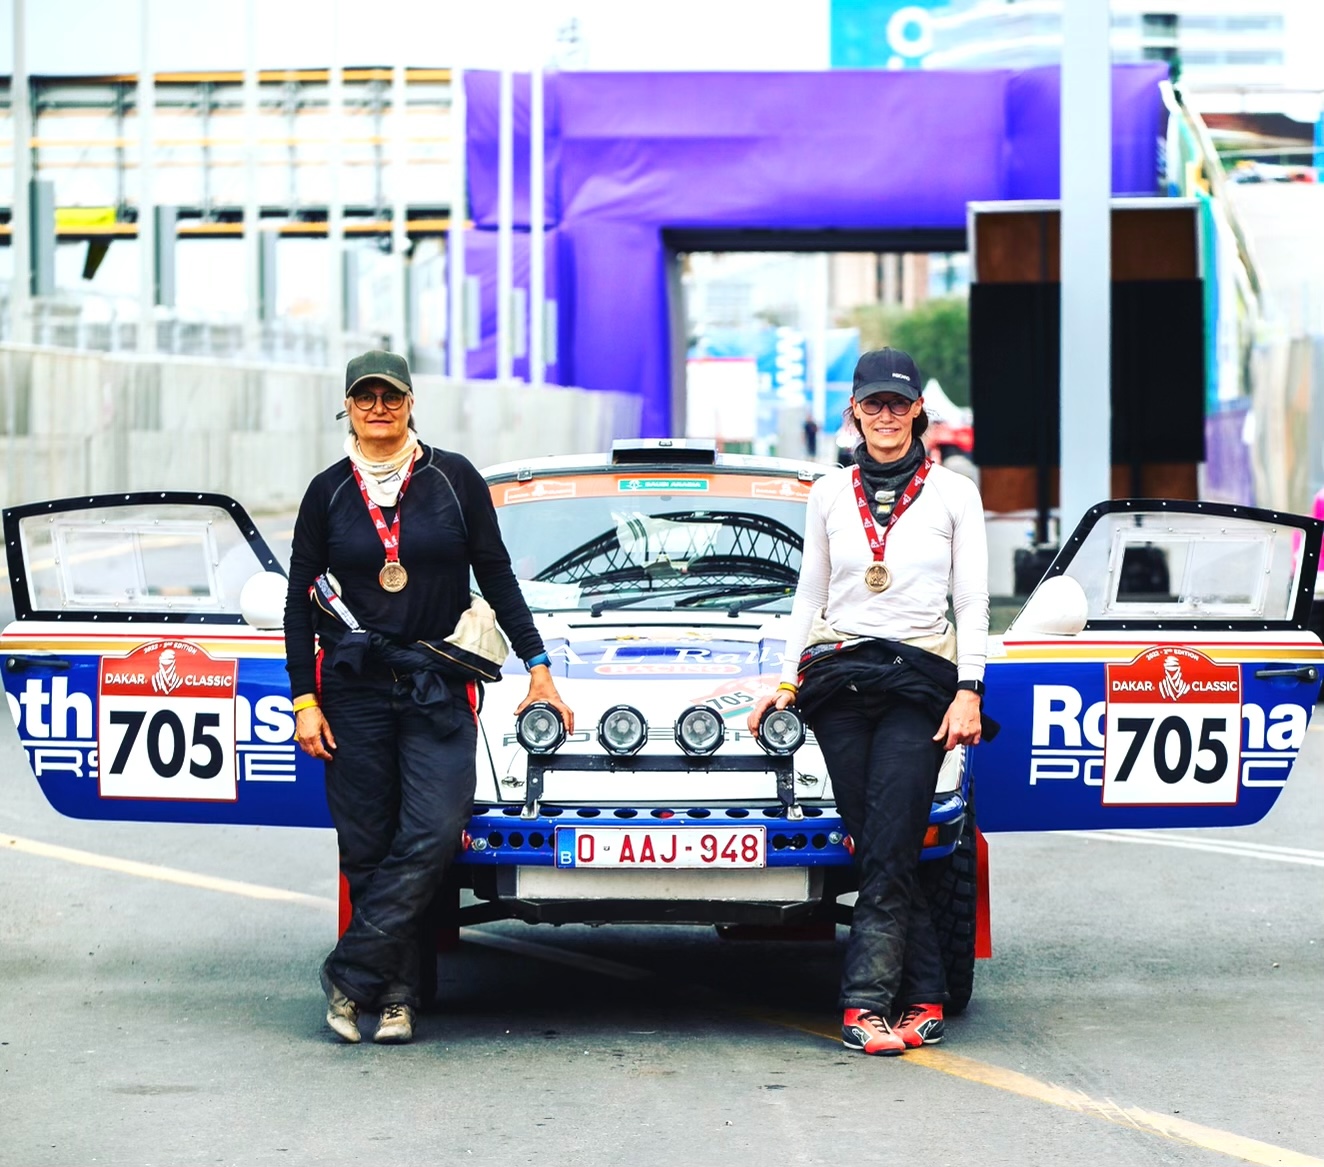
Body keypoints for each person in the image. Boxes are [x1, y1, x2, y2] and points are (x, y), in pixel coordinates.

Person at [284, 349, 573, 1045]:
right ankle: (396, 996)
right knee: (366, 843)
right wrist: (304, 701)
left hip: (436, 683)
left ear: (411, 403)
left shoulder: (453, 478)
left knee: (435, 831)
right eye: (365, 397)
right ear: (347, 407)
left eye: (391, 396)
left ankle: (350, 972)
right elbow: (298, 603)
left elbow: (496, 575)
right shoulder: (327, 492)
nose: (378, 408)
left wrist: (538, 664)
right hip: (352, 689)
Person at [748, 347, 989, 1056]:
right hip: (842, 682)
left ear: (919, 410)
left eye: (898, 403)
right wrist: (785, 680)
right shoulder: (829, 492)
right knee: (882, 842)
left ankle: (864, 1004)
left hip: (920, 682)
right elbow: (809, 596)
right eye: (873, 403)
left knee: (889, 841)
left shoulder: (955, 493)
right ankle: (926, 996)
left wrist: (970, 689)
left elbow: (973, 602)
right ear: (854, 410)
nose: (886, 415)